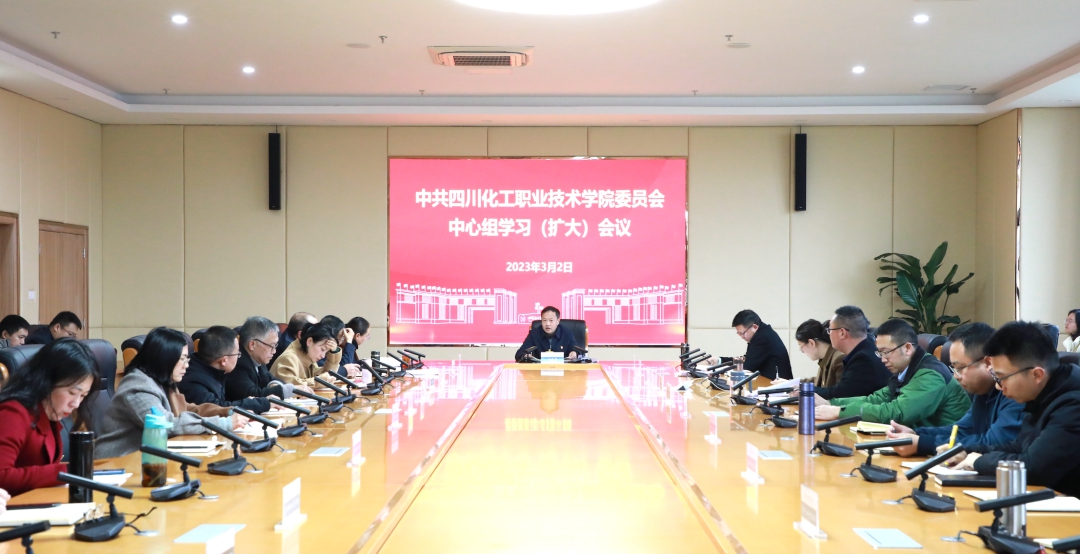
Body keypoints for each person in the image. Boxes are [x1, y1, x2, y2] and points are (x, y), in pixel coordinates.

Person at [945, 321, 1080, 497]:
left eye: (1001, 377)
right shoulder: (1042, 394)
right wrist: (966, 451)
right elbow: (1018, 447)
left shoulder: (1073, 404)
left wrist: (979, 461)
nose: (998, 386)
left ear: (1036, 375)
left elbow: (1033, 467)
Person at [96, 328, 247, 459]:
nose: (186, 365)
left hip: (145, 460)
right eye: (182, 359)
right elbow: (166, 425)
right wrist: (223, 424)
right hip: (115, 464)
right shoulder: (138, 387)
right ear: (165, 358)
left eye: (187, 359)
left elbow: (187, 409)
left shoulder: (163, 382)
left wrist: (228, 412)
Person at [886, 323, 1024, 457]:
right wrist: (916, 433)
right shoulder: (982, 391)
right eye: (954, 368)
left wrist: (922, 443)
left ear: (987, 363)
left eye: (960, 368)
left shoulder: (1014, 393)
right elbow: (962, 430)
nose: (956, 376)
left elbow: (994, 443)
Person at [815, 318, 971, 427]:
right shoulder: (907, 369)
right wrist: (831, 404)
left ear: (907, 348)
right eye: (880, 353)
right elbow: (876, 399)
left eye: (886, 352)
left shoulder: (931, 374)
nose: (883, 359)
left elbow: (898, 412)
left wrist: (840, 412)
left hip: (945, 449)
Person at [0, 339, 99, 495]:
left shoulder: (49, 414)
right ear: (47, 381)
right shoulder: (13, 413)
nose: (76, 403)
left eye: (83, 396)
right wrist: (64, 472)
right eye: (72, 393)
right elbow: (2, 476)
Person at [178, 326, 271, 414]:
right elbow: (217, 409)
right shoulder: (194, 381)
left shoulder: (216, 369)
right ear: (224, 360)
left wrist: (252, 402)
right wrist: (260, 403)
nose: (239, 357)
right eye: (237, 353)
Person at [813, 306, 892, 400]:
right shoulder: (869, 348)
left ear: (842, 333)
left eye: (829, 330)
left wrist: (806, 390)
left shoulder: (863, 359)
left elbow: (841, 394)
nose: (829, 334)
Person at [227, 316, 310, 403]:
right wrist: (289, 390)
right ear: (252, 344)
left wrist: (275, 384)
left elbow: (271, 379)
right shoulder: (237, 362)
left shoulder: (258, 359)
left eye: (275, 346)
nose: (274, 351)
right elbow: (252, 394)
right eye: (271, 346)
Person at [271, 322, 343, 387]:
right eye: (322, 349)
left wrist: (334, 353)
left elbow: (325, 375)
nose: (323, 356)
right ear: (309, 341)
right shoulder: (289, 358)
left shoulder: (308, 356)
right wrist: (319, 381)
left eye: (326, 352)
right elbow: (292, 387)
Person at [730, 310, 792, 380]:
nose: (742, 337)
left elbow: (747, 367)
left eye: (742, 333)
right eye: (739, 333)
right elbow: (747, 358)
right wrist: (722, 360)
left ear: (755, 327)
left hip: (777, 384)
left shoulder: (763, 338)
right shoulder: (763, 332)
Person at [795, 319, 845, 388]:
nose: (801, 351)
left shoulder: (838, 359)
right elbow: (818, 381)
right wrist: (791, 383)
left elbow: (838, 392)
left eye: (801, 346)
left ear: (811, 343)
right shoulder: (826, 358)